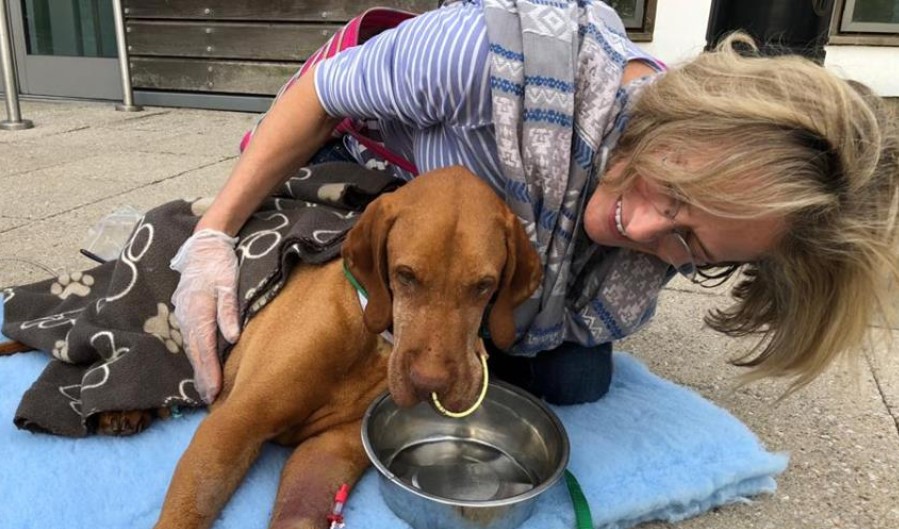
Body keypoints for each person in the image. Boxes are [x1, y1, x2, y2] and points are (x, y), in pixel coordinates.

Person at [170, 0, 899, 407]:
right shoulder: (487, 57)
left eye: (693, 248)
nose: (639, 228)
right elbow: (318, 97)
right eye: (673, 190)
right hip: (357, 163)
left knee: (574, 379)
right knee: (328, 337)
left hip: (475, 233)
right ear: (689, 116)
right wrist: (212, 235)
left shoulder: (721, 207)